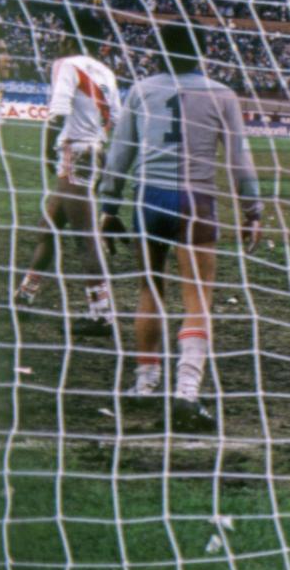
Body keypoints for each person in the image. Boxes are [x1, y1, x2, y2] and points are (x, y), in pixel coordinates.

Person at [98, 22, 262, 432]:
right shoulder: (221, 94)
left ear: (157, 53)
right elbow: (240, 157)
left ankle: (145, 384)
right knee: (198, 298)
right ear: (202, 53)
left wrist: (108, 205)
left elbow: (119, 154)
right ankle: (186, 393)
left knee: (149, 289)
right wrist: (252, 209)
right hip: (196, 200)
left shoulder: (140, 90)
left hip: (147, 199)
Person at [12, 24, 122, 336]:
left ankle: (102, 314)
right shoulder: (106, 72)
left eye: (61, 37)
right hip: (92, 150)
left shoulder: (68, 65)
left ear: (70, 38)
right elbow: (115, 118)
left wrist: (47, 150)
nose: (58, 42)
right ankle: (25, 296)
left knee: (85, 238)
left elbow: (57, 112)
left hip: (75, 152)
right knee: (48, 228)